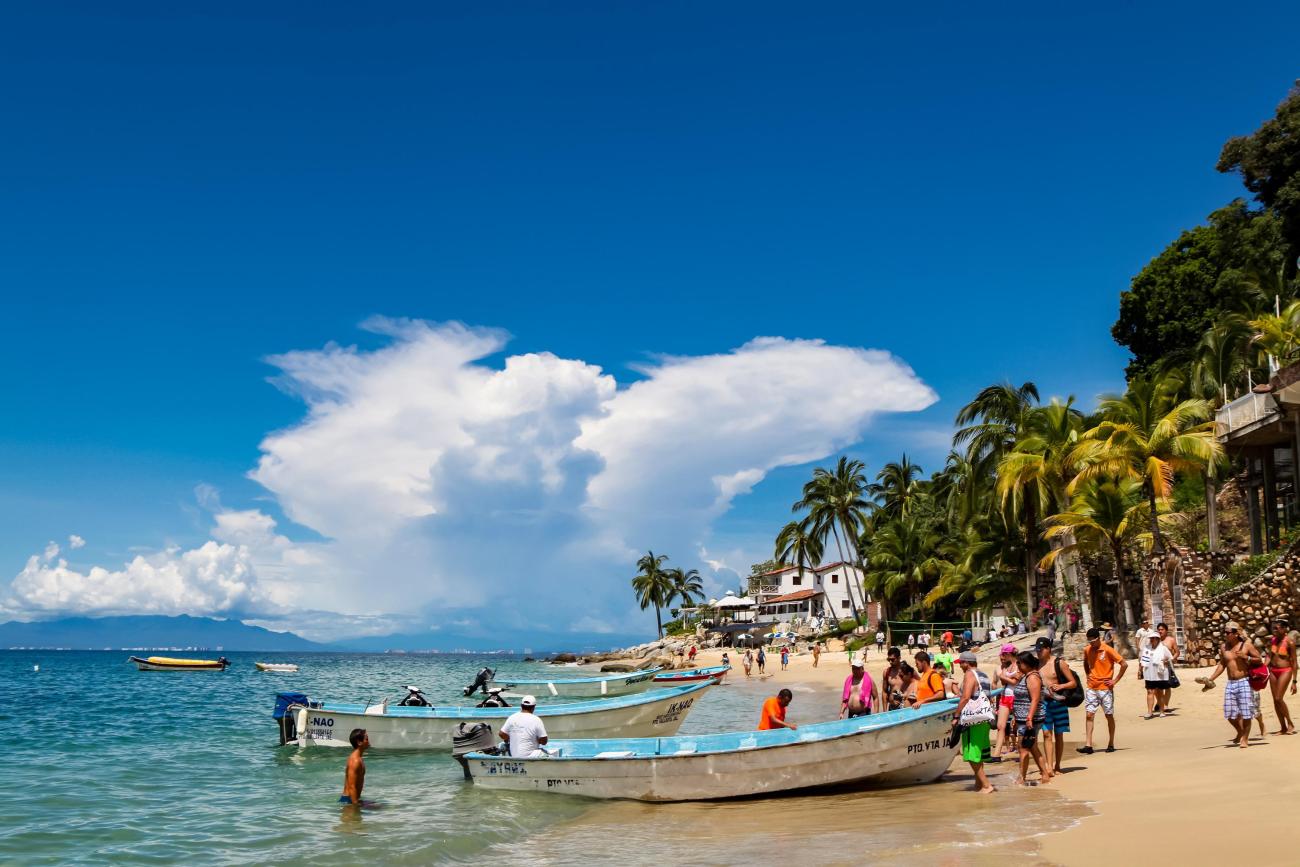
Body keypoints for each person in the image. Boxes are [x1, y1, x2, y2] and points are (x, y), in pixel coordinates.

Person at [1202, 621, 1265, 748]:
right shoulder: (1224, 647)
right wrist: (1211, 679)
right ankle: (1241, 732)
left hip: (1244, 682)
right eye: (1224, 632)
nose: (1226, 635)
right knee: (1230, 714)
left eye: (1228, 633)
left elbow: (1259, 660)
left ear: (1236, 634)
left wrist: (1246, 658)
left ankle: (1245, 739)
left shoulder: (1246, 646)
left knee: (1246, 712)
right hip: (1231, 683)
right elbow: (1222, 665)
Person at [1079, 626, 1127, 754]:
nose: (1091, 643)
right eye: (1089, 641)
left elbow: (1124, 664)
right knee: (1089, 714)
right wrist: (1088, 674)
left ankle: (1111, 743)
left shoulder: (1108, 649)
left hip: (1105, 688)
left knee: (1108, 715)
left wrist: (1114, 681)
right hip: (1091, 687)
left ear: (1098, 638)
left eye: (1093, 641)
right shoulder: (1087, 650)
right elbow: (1085, 662)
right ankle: (1088, 745)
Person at [953, 651, 995, 794]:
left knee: (971, 754)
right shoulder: (984, 675)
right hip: (984, 718)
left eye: (961, 663)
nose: (960, 667)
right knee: (978, 753)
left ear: (967, 663)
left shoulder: (969, 674)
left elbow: (965, 698)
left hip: (973, 720)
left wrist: (956, 716)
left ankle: (986, 785)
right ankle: (978, 784)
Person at [1036, 636, 1078, 775]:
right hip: (1044, 703)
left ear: (1048, 649)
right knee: (1046, 734)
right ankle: (1048, 766)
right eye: (1037, 650)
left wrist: (1060, 686)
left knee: (1059, 735)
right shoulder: (1037, 665)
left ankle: (1058, 765)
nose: (1038, 652)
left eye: (1041, 650)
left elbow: (1073, 683)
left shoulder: (1059, 663)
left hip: (1059, 703)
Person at [1011, 651, 1052, 785]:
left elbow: (1034, 700)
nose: (1017, 665)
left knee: (1023, 749)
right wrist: (1016, 717)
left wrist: (1029, 718)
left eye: (1019, 663)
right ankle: (1044, 775)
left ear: (1027, 664)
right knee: (1032, 747)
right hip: (1024, 718)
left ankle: (1021, 779)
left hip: (1030, 720)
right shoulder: (1026, 676)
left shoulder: (1033, 677)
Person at [1267, 619, 1297, 735]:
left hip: (1285, 671)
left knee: (1279, 698)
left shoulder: (1290, 643)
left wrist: (1294, 682)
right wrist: (1262, 667)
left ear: (1284, 629)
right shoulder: (1273, 640)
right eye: (1274, 628)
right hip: (1273, 671)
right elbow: (1269, 656)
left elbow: (1294, 663)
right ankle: (1283, 727)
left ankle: (1290, 723)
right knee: (1275, 701)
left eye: (1277, 628)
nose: (1274, 630)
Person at [993, 643, 1021, 759]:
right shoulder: (1006, 666)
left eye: (1004, 655)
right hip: (1005, 697)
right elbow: (1005, 681)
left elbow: (1015, 681)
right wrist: (1006, 678)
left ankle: (1021, 749)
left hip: (1017, 697)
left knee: (1019, 725)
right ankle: (996, 754)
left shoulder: (1019, 664)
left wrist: (1004, 677)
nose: (1002, 657)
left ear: (1009, 654)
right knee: (1001, 726)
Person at [1140, 630, 1174, 719]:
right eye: (1150, 638)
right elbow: (1142, 660)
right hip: (1149, 673)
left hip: (1160, 674)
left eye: (1153, 638)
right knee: (1150, 691)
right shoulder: (1146, 648)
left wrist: (1166, 661)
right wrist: (1140, 671)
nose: (1151, 640)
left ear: (1157, 639)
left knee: (1160, 692)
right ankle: (1149, 712)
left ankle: (1162, 711)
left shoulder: (1163, 648)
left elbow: (1171, 658)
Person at [340, 728, 369, 806]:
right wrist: (356, 807)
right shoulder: (355, 761)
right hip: (349, 801)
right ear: (359, 742)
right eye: (366, 739)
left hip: (353, 799)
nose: (368, 741)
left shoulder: (359, 758)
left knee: (381, 807)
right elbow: (352, 786)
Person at [1156, 622, 1179, 713]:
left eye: (1162, 629)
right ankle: (1159, 702)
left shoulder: (1171, 640)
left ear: (1166, 630)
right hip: (1157, 666)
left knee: (1167, 686)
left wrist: (1172, 659)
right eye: (1159, 629)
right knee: (1156, 687)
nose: (1160, 631)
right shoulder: (1155, 640)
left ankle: (1165, 705)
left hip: (1168, 665)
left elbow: (1177, 652)